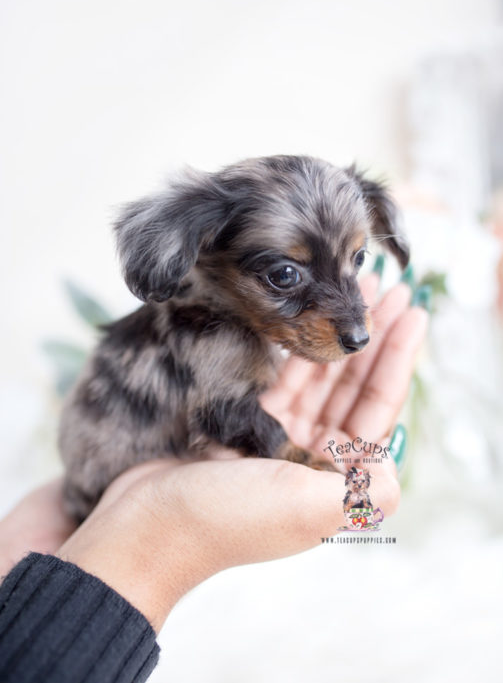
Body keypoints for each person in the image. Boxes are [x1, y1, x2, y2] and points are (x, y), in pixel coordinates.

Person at [0, 272, 429, 683]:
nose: (355, 320)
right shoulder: (204, 326)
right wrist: (290, 455)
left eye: (353, 261)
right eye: (284, 274)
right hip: (103, 476)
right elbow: (225, 414)